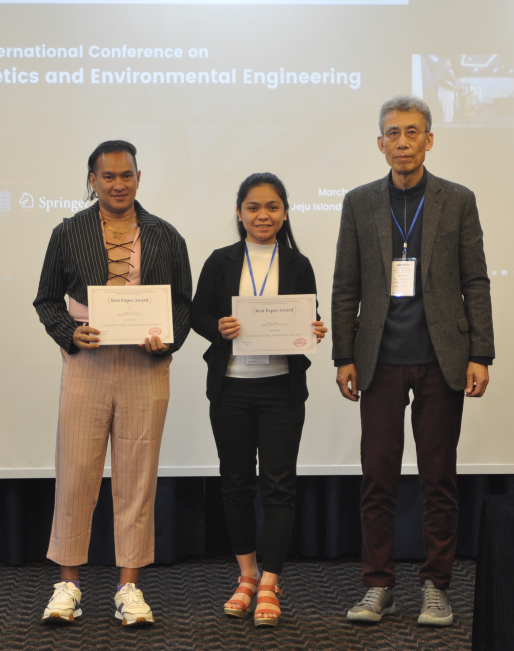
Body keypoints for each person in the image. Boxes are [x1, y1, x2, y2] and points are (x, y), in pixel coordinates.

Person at [332, 96, 494, 626]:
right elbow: (346, 283)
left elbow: (475, 280)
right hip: (378, 359)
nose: (402, 142)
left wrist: (480, 353)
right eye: (392, 133)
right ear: (379, 142)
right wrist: (343, 354)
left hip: (441, 358)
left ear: (429, 140)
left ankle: (435, 586)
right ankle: (377, 586)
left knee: (438, 479)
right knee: (377, 479)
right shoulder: (359, 202)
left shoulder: (458, 199)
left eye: (412, 132)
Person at [34, 140, 192, 625]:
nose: (118, 184)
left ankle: (129, 588)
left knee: (137, 479)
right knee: (76, 473)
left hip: (146, 367)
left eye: (127, 175)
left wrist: (166, 340)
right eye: (108, 176)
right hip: (88, 364)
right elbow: (46, 300)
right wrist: (71, 332)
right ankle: (68, 586)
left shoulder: (166, 235)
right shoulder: (68, 232)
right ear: (93, 180)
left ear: (139, 178)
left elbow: (183, 304)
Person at [191, 172, 327, 627]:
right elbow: (197, 313)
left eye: (272, 207)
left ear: (285, 213)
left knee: (279, 486)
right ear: (239, 212)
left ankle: (270, 581)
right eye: (253, 207)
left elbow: (310, 317)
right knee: (235, 484)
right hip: (231, 387)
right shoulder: (221, 260)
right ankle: (246, 576)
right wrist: (218, 328)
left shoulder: (298, 263)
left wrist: (315, 330)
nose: (262, 215)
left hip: (280, 389)